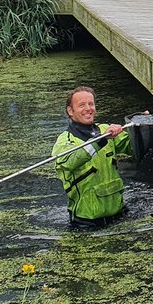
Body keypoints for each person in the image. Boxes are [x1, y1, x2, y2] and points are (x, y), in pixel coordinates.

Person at [53, 86, 130, 227]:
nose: (88, 108)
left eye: (91, 104)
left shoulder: (106, 130)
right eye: (81, 105)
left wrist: (143, 126)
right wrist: (100, 140)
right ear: (70, 111)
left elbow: (134, 148)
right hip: (87, 224)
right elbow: (70, 161)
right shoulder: (65, 141)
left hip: (120, 216)